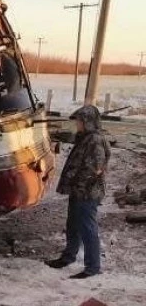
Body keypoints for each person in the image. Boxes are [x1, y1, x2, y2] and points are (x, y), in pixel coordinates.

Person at [46, 105, 110, 279]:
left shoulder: (95, 140)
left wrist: (78, 181)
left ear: (88, 122)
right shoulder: (85, 138)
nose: (78, 125)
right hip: (78, 191)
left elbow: (96, 168)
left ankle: (92, 267)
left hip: (87, 192)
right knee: (72, 225)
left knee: (88, 228)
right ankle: (68, 257)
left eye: (80, 122)